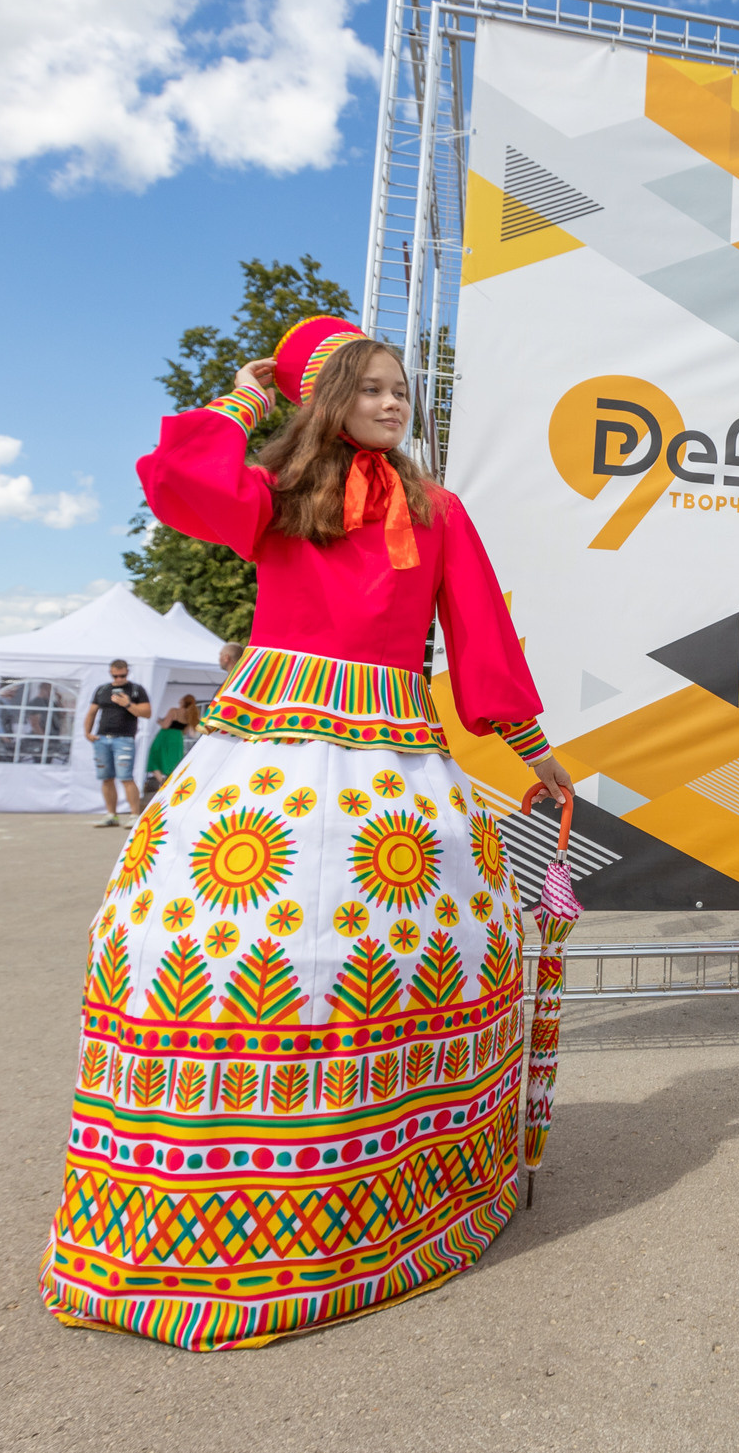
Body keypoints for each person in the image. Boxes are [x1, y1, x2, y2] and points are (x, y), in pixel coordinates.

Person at [39, 316, 572, 1351]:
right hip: (267, 745)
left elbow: (479, 634)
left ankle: (380, 1203)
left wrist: (529, 747)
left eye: (398, 389)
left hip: (396, 761)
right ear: (326, 400)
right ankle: (190, 1220)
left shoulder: (439, 509)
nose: (391, 402)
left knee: (413, 946)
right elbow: (178, 482)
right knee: (219, 938)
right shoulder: (278, 495)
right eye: (368, 388)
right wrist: (244, 398)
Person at [84, 658, 151, 827]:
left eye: (122, 675)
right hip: (102, 738)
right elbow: (92, 712)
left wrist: (127, 704)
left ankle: (134, 814)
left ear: (127, 672)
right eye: (116, 676)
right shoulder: (103, 690)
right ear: (111, 673)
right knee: (106, 778)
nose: (119, 679)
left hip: (124, 738)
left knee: (126, 777)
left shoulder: (136, 690)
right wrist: (87, 733)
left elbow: (147, 713)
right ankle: (111, 815)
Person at [140, 693, 200, 799]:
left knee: (154, 759)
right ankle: (170, 784)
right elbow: (185, 731)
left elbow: (165, 725)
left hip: (165, 737)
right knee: (173, 762)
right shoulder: (190, 715)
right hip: (177, 739)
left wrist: (158, 720)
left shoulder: (174, 711)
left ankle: (162, 782)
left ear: (183, 701)